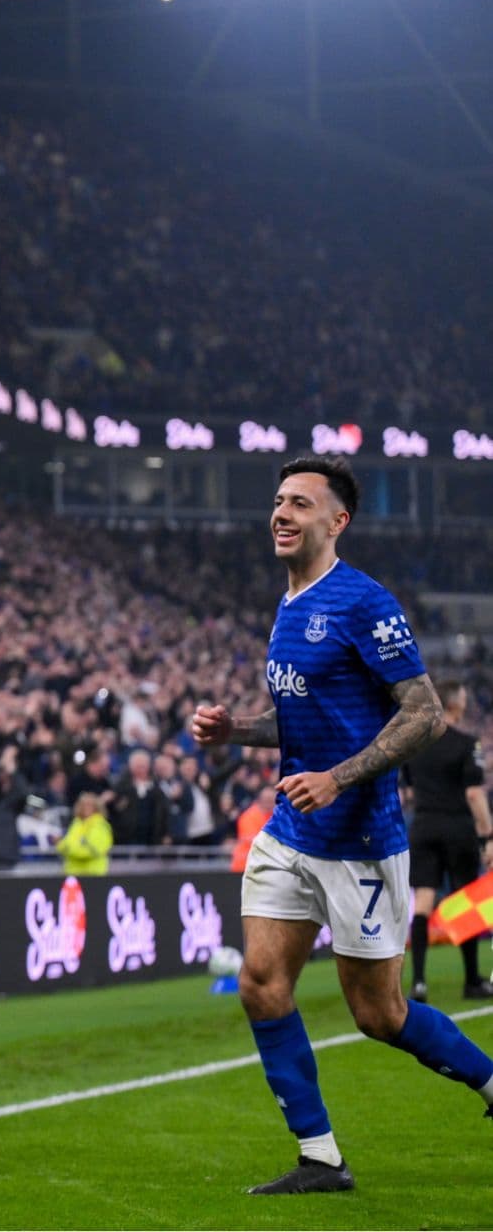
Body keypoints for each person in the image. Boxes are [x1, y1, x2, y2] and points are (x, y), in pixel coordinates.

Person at [191, 456, 493, 1195]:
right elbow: (302, 719)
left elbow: (423, 713)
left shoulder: (363, 601)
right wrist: (238, 731)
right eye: (278, 500)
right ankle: (320, 1156)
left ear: (338, 521)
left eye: (301, 503)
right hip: (292, 832)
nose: (282, 512)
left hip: (359, 841)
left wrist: (338, 777)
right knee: (261, 984)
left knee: (379, 1015)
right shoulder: (289, 604)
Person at [400, 680, 492, 1002]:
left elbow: (409, 789)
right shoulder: (467, 744)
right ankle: (472, 981)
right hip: (457, 828)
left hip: (424, 827)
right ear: (455, 703)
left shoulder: (415, 745)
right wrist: (488, 837)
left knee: (423, 902)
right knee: (464, 899)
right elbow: (474, 794)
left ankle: (419, 982)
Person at [56, 792, 114, 876]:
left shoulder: (100, 825)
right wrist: (62, 846)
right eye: (83, 805)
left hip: (93, 874)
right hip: (72, 874)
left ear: (96, 807)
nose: (86, 808)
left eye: (90, 805)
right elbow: (63, 845)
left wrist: (69, 849)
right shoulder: (76, 824)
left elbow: (92, 851)